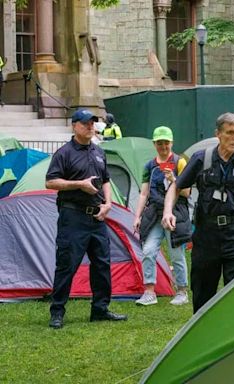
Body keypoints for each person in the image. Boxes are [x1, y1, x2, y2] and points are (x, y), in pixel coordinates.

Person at [162, 113, 234, 313]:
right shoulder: (201, 159)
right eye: (230, 133)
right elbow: (176, 186)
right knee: (203, 293)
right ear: (218, 134)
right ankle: (200, 336)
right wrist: (167, 211)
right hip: (206, 235)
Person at [45, 109, 128, 329]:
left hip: (97, 217)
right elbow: (51, 182)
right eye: (85, 124)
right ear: (75, 126)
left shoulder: (99, 152)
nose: (91, 127)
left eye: (92, 123)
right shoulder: (64, 153)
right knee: (67, 265)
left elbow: (106, 180)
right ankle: (57, 312)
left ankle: (100, 309)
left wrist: (108, 204)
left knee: (102, 264)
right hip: (73, 217)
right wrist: (79, 184)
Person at [133, 126, 192, 306]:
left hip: (176, 215)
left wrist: (174, 180)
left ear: (171, 143)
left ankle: (182, 291)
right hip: (154, 215)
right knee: (148, 251)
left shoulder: (180, 162)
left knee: (176, 254)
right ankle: (149, 292)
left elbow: (187, 193)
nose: (163, 146)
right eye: (159, 143)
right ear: (154, 144)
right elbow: (144, 194)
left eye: (166, 142)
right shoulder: (149, 166)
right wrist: (137, 216)